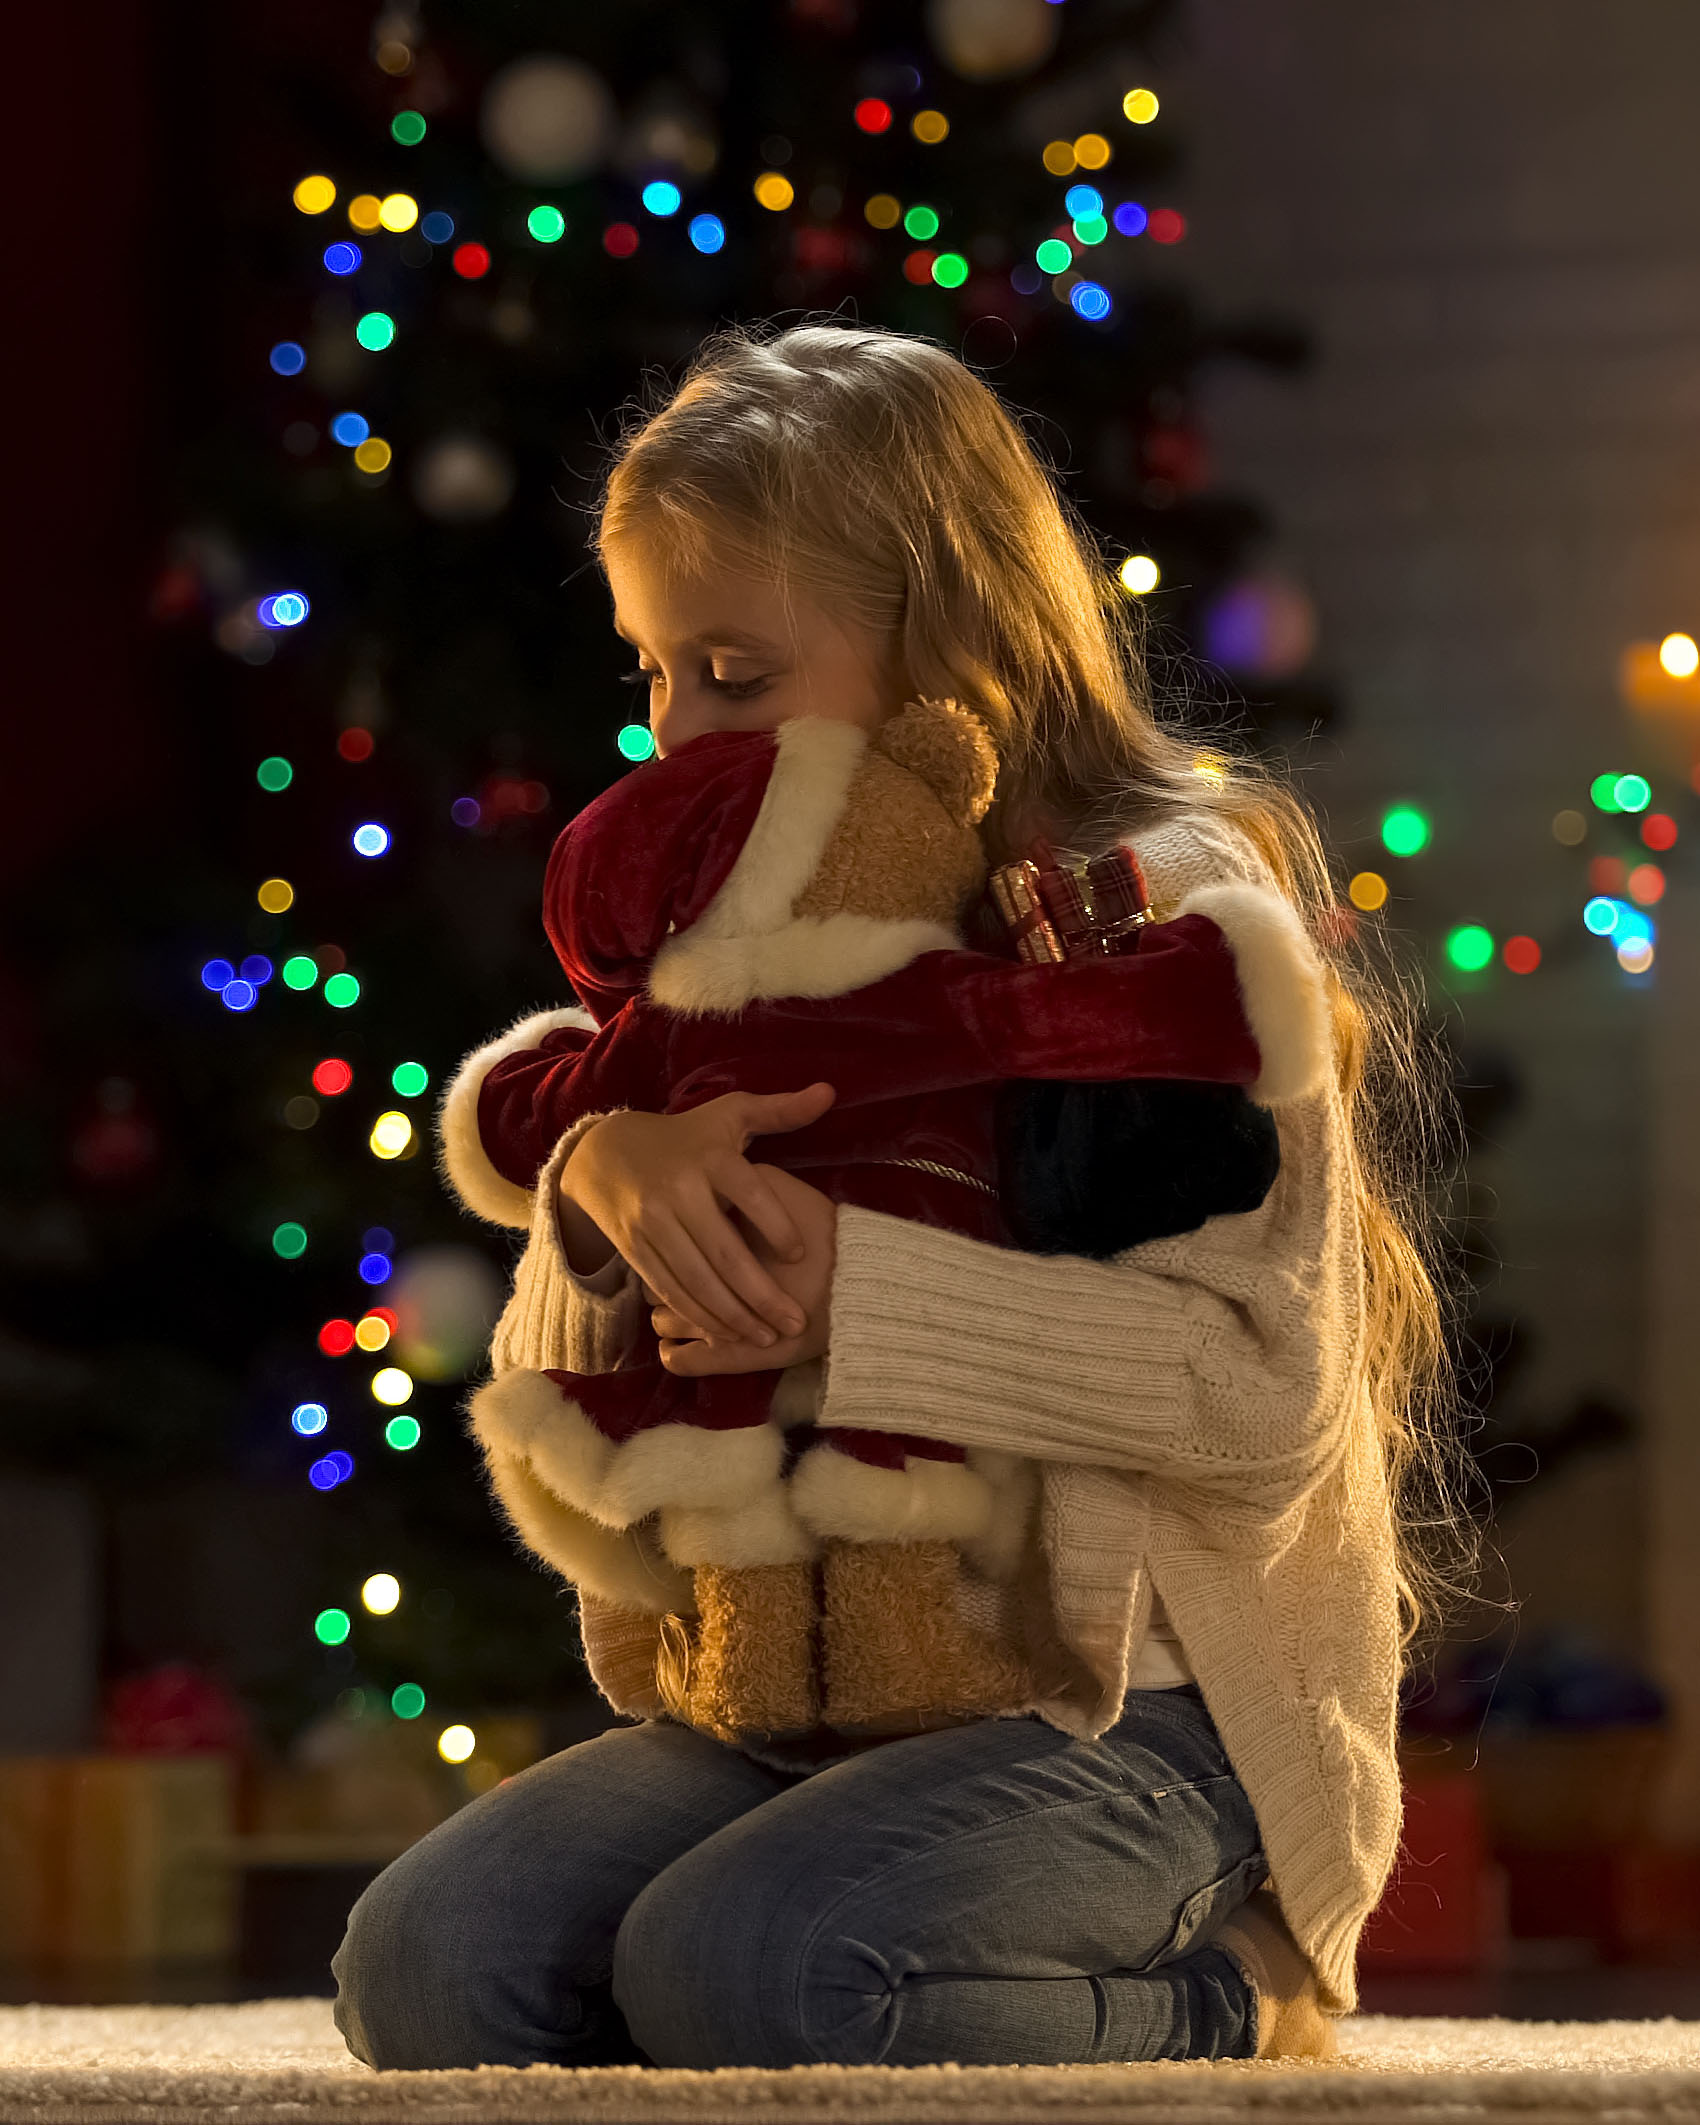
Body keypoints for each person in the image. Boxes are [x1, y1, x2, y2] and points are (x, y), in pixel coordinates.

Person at [331, 318, 1467, 2073]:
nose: (673, 733)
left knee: (757, 1968)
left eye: (733, 669)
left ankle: (1225, 1998)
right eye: (650, 670)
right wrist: (599, 1189)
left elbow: (1256, 1398)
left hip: (1144, 1710)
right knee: (433, 1967)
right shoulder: (712, 944)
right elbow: (601, 1403)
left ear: (952, 648)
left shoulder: (1151, 919)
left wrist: (860, 1295)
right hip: (794, 1704)